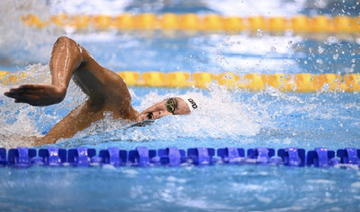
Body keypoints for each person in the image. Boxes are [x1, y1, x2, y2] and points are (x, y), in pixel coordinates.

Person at [4, 36, 198, 146]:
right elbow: (70, 45)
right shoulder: (117, 103)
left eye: (173, 116)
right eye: (171, 105)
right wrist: (58, 88)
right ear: (164, 99)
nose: (159, 114)